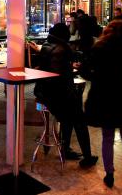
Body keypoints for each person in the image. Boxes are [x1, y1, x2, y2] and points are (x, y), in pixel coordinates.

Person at [81, 19, 122, 188]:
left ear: (107, 30)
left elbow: (85, 70)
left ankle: (109, 175)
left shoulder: (99, 47)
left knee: (107, 137)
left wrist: (97, 78)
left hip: (104, 96)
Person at [33, 23, 98, 168]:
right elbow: (60, 79)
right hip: (57, 95)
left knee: (69, 117)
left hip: (43, 93)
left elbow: (51, 70)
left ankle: (65, 148)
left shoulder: (46, 45)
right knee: (80, 119)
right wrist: (76, 69)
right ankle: (87, 157)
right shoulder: (62, 50)